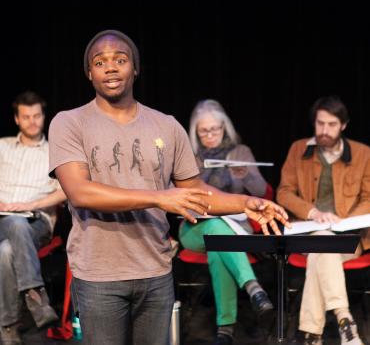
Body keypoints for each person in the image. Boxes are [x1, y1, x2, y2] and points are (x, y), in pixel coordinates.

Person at [47, 29, 290, 345]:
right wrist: (160, 198)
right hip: (99, 275)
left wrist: (245, 203)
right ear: (89, 73)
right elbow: (80, 192)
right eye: (100, 61)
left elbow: (195, 192)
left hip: (155, 271)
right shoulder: (69, 122)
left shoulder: (167, 125)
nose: (110, 67)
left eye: (120, 60)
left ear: (135, 68)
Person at [178, 99, 274, 345]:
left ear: (225, 127)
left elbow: (263, 193)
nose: (210, 136)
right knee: (214, 230)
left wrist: (247, 177)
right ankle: (253, 287)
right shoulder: (189, 156)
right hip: (193, 227)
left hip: (233, 229)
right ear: (195, 132)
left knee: (218, 242)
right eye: (204, 131)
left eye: (215, 129)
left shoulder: (240, 152)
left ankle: (225, 330)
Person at [276, 95, 370, 345]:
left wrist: (343, 221)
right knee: (322, 242)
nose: (324, 130)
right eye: (320, 124)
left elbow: (369, 197)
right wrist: (312, 212)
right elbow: (283, 192)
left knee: (323, 247)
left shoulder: (363, 153)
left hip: (349, 239)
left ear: (343, 125)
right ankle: (345, 320)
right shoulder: (299, 149)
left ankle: (310, 335)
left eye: (331, 124)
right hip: (308, 235)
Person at [0, 91, 67, 345]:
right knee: (11, 225)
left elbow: (65, 191)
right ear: (17, 119)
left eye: (37, 116)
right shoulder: (2, 147)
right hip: (2, 217)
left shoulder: (54, 152)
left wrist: (30, 204)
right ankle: (36, 297)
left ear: (43, 117)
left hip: (35, 221)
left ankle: (7, 327)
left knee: (6, 251)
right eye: (26, 117)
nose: (32, 121)